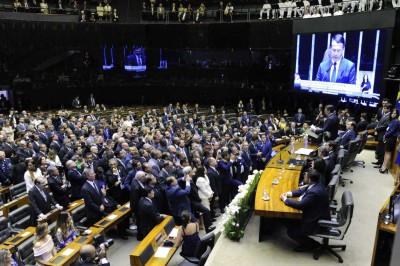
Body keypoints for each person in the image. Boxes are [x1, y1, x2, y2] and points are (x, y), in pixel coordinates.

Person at [280, 169, 330, 252]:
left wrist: (285, 200)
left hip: (316, 220)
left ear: (309, 180)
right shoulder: (316, 184)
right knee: (289, 221)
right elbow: (301, 190)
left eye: (305, 177)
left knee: (291, 232)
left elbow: (300, 205)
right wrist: (288, 194)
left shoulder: (314, 192)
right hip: (317, 213)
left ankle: (312, 244)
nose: (304, 178)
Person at [380, 109, 400, 174]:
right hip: (388, 137)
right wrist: (385, 135)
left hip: (391, 138)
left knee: (388, 152)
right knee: (386, 152)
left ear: (397, 114)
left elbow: (392, 131)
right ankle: (383, 165)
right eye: (392, 113)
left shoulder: (397, 121)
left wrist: (385, 135)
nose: (393, 114)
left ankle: (385, 167)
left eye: (395, 113)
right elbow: (388, 129)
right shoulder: (392, 120)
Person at [373, 103, 392, 168]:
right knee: (379, 148)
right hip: (380, 133)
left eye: (385, 108)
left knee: (382, 149)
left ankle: (381, 163)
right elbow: (380, 123)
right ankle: (378, 161)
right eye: (383, 108)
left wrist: (377, 128)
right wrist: (377, 127)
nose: (383, 109)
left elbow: (385, 125)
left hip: (383, 134)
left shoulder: (389, 116)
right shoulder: (384, 115)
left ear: (389, 109)